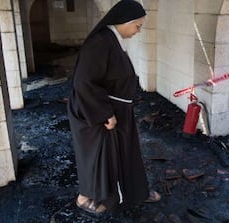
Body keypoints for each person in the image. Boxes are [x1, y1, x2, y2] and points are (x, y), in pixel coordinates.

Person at [67, 0, 160, 215]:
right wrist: (105, 113)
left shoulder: (111, 40)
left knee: (125, 152)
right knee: (97, 156)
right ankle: (84, 198)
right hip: (95, 111)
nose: (138, 31)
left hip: (118, 109)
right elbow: (84, 82)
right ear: (124, 22)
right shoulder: (99, 42)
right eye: (137, 26)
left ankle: (137, 191)